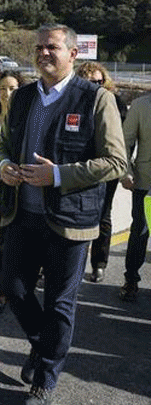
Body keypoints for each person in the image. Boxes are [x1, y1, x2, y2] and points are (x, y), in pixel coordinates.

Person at [0, 24, 126, 405]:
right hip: (23, 214)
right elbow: (2, 142)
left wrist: (58, 175)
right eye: (38, 48)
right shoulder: (21, 98)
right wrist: (2, 165)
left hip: (70, 222)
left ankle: (45, 382)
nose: (43, 53)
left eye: (52, 47)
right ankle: (44, 344)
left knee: (60, 304)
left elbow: (115, 161)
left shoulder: (95, 99)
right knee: (13, 288)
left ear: (72, 54)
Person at [76, 61, 128, 283]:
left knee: (103, 217)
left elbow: (123, 141)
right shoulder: (74, 101)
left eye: (98, 82)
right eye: (89, 82)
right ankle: (72, 266)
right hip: (78, 169)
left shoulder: (115, 102)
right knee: (76, 219)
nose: (95, 86)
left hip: (106, 169)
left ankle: (99, 263)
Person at [0, 70, 27, 315]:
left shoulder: (24, 118)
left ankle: (0, 293)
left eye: (12, 88)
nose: (7, 93)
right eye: (2, 88)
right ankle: (10, 284)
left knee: (7, 243)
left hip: (15, 188)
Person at [119, 91, 151, 301]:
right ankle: (131, 278)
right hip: (145, 183)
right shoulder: (141, 106)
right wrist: (126, 172)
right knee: (139, 233)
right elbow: (124, 143)